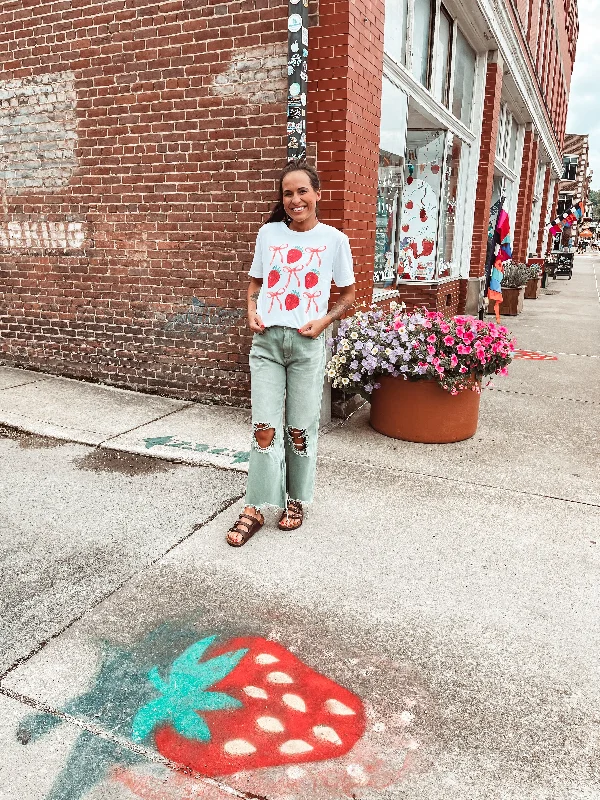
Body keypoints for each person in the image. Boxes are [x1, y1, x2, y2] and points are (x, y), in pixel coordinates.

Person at [226, 161, 356, 546]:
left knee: (299, 429)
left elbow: (347, 293)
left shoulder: (334, 240)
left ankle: (295, 499)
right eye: (288, 193)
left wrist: (324, 321)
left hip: (306, 344)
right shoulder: (268, 234)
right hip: (267, 343)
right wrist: (251, 309)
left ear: (317, 195)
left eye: (302, 191)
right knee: (264, 428)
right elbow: (256, 280)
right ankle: (255, 507)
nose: (295, 199)